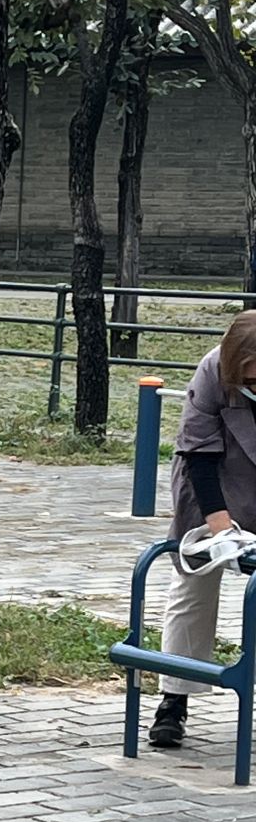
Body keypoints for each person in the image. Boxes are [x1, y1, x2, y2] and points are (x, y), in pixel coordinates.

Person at [150, 311, 256, 749]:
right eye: (248, 378)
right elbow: (198, 451)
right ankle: (174, 700)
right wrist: (221, 529)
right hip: (210, 481)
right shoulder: (213, 369)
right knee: (194, 581)